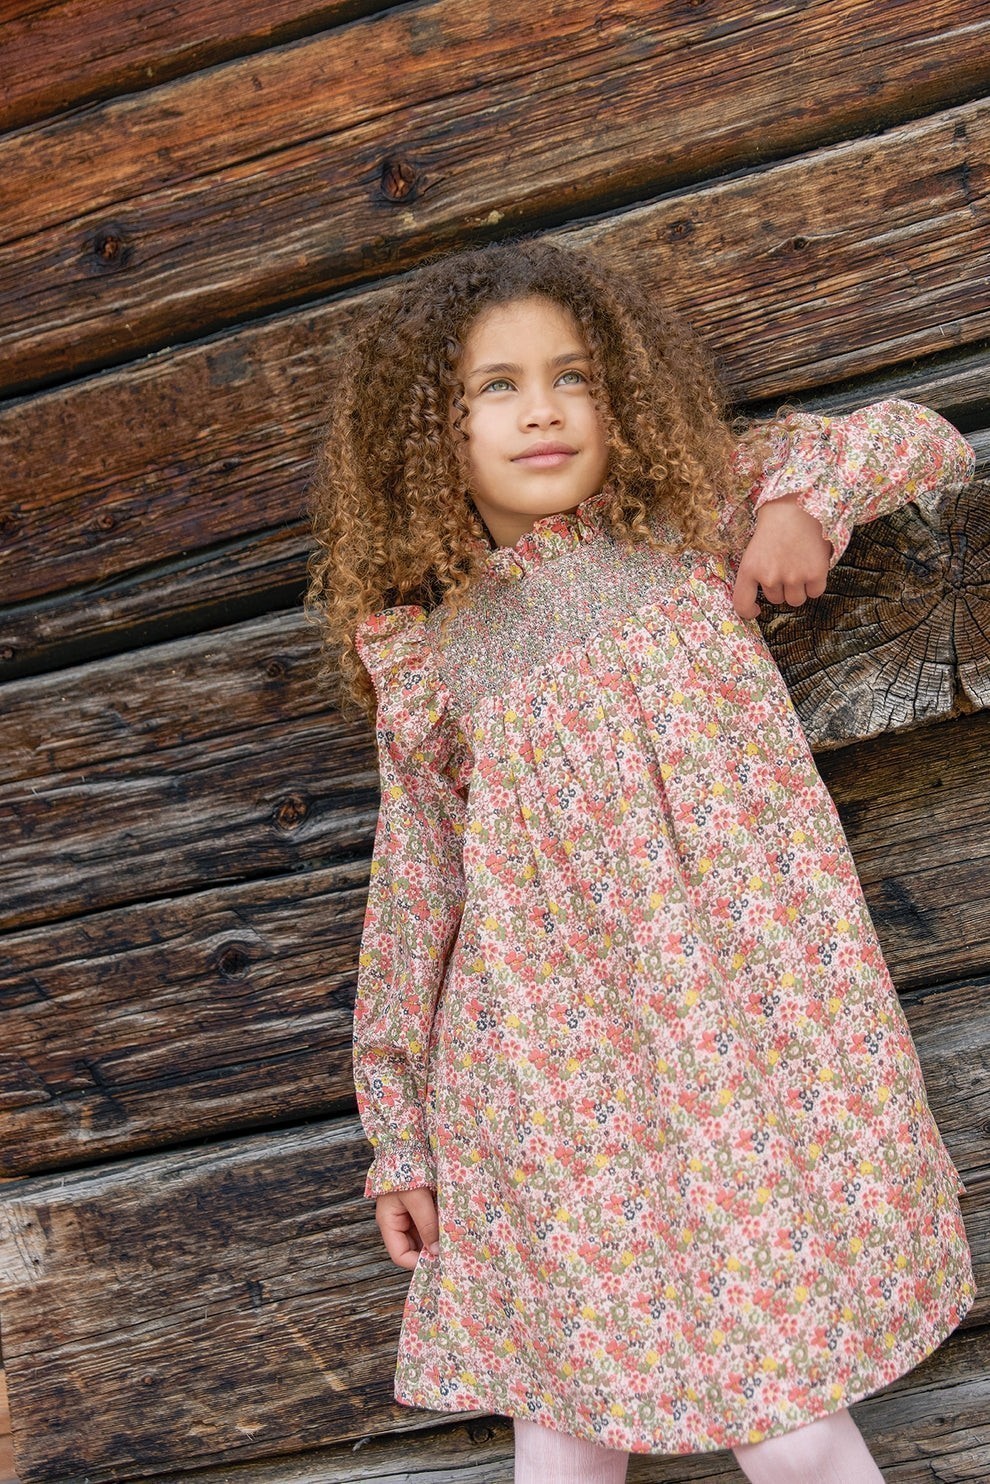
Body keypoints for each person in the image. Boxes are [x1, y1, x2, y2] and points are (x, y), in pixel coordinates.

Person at [304, 237, 977, 1483]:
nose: (543, 408)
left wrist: (801, 505)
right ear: (428, 435)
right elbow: (413, 902)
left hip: (746, 1047)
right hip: (551, 1091)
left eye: (572, 375)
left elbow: (923, 438)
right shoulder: (434, 658)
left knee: (794, 1426)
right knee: (565, 1439)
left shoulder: (684, 526)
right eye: (496, 386)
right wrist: (399, 1133)